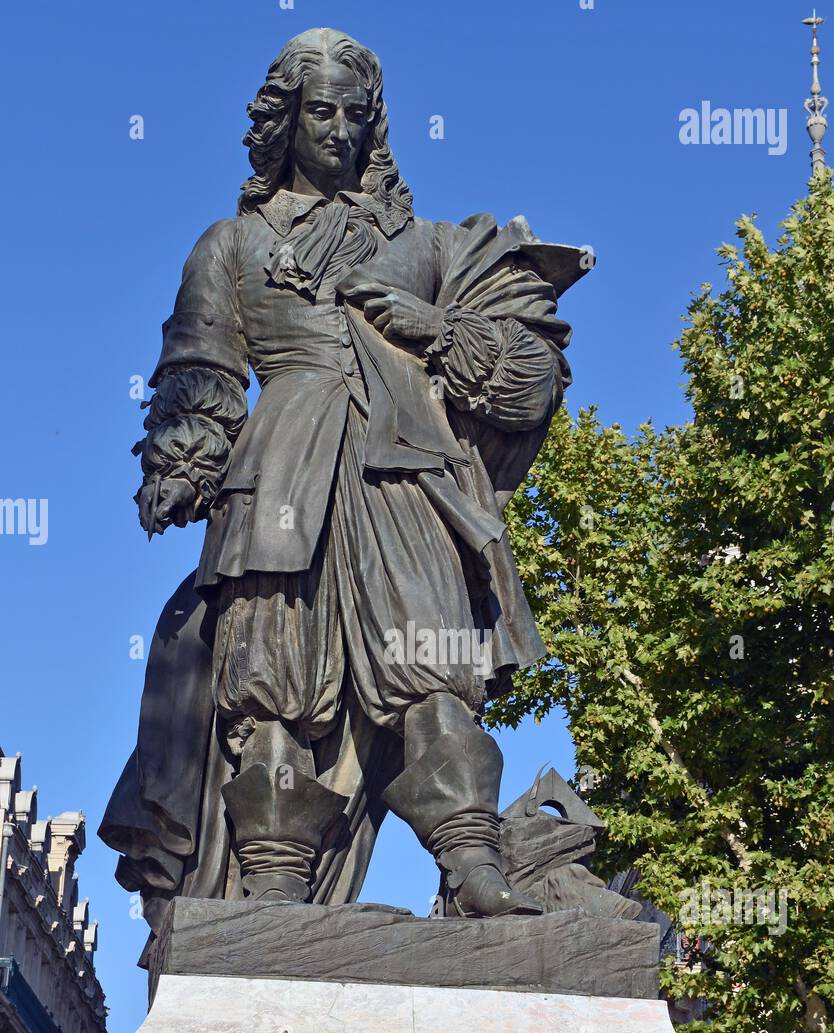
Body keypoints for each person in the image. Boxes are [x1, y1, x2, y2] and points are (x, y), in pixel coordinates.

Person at [100, 28, 589, 941]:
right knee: (274, 682)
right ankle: (274, 886)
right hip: (279, 475)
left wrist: (434, 330)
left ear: (376, 125)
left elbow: (531, 372)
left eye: (351, 114)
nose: (335, 129)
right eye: (317, 111)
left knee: (435, 669)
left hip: (404, 475)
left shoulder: (433, 246)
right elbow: (200, 365)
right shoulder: (232, 244)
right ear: (284, 121)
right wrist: (184, 457)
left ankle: (473, 862)